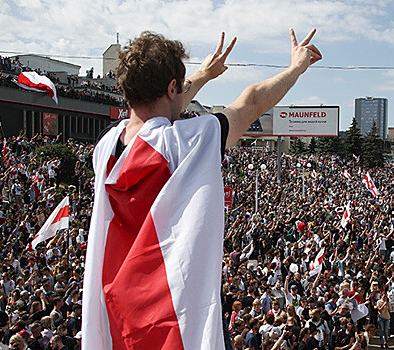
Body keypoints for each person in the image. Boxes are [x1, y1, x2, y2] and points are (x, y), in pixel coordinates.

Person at [82, 28, 321, 349]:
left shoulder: (105, 147)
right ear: (172, 87)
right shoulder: (187, 141)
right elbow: (250, 102)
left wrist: (203, 75)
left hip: (115, 311)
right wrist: (295, 69)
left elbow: (160, 104)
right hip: (169, 316)